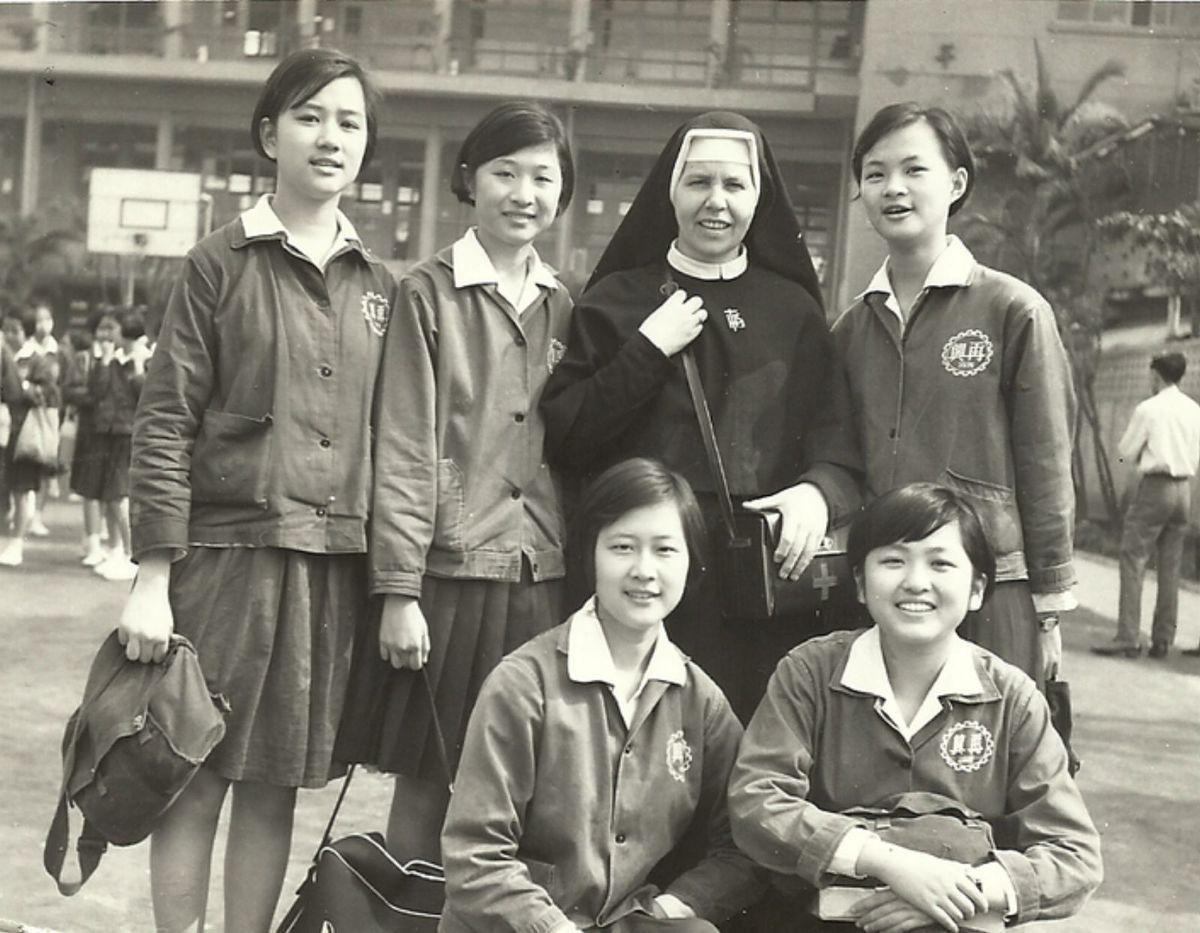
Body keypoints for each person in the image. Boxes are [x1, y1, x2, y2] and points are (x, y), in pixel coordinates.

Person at [115, 47, 389, 932]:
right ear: (270, 133)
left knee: (273, 790)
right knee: (192, 780)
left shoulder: (383, 287)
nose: (330, 136)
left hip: (327, 571)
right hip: (221, 564)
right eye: (311, 116)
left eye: (349, 122)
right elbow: (164, 422)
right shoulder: (215, 263)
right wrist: (154, 575)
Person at [540, 111, 860, 722]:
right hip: (644, 571)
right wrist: (647, 350)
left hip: (758, 585)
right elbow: (569, 437)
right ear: (671, 192)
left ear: (758, 198)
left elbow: (839, 443)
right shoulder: (616, 300)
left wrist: (817, 496)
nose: (716, 202)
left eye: (735, 185)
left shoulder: (792, 310)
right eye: (698, 183)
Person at [334, 101, 576, 861]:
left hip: (539, 574)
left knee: (523, 780)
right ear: (471, 180)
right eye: (505, 172)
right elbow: (404, 446)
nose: (523, 192)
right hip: (449, 573)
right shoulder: (426, 292)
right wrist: (399, 591)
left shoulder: (566, 304)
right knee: (428, 776)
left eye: (543, 176)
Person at [728, 483, 1103, 932]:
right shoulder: (810, 671)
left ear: (978, 589)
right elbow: (757, 801)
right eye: (893, 560)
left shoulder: (1012, 697)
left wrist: (953, 894)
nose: (916, 581)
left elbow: (1073, 854)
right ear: (861, 586)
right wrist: (894, 866)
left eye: (941, 563)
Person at [441, 458, 762, 932]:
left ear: (692, 560)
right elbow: (475, 856)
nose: (644, 570)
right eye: (622, 547)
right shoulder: (524, 683)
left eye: (665, 550)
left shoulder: (700, 702)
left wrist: (669, 909)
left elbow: (743, 844)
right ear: (589, 553)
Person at [833, 102, 1077, 689]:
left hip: (989, 591)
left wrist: (1048, 607)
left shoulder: (1012, 310)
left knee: (988, 756)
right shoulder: (848, 330)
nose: (893, 188)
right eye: (874, 173)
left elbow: (1045, 461)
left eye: (914, 170)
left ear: (956, 182)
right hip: (886, 594)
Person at [1092, 351, 1200, 659]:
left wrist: (1138, 457)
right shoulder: (1194, 410)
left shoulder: (1149, 409)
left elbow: (1126, 451)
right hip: (1184, 489)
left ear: (1156, 375)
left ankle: (1128, 635)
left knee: (1133, 557)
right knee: (1171, 564)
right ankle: (1163, 638)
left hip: (1156, 486)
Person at [88, 308, 149, 582]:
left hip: (128, 432)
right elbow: (97, 392)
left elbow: (146, 396)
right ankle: (116, 550)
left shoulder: (144, 358)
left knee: (118, 495)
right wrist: (106, 361)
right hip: (109, 431)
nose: (108, 335)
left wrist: (136, 368)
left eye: (113, 329)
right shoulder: (112, 359)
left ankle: (129, 552)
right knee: (110, 494)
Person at [0, 311, 61, 566]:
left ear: (25, 333)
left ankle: (16, 543)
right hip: (4, 430)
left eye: (16, 330)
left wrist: (24, 388)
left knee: (22, 489)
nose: (11, 335)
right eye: (7, 330)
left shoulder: (36, 360)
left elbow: (48, 394)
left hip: (23, 431)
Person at [63, 311, 109, 567]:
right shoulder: (83, 359)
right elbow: (69, 391)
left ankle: (95, 537)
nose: (105, 335)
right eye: (101, 329)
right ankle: (92, 542)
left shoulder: (116, 360)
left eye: (109, 329)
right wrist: (94, 397)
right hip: (90, 430)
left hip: (112, 432)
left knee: (107, 489)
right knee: (90, 487)